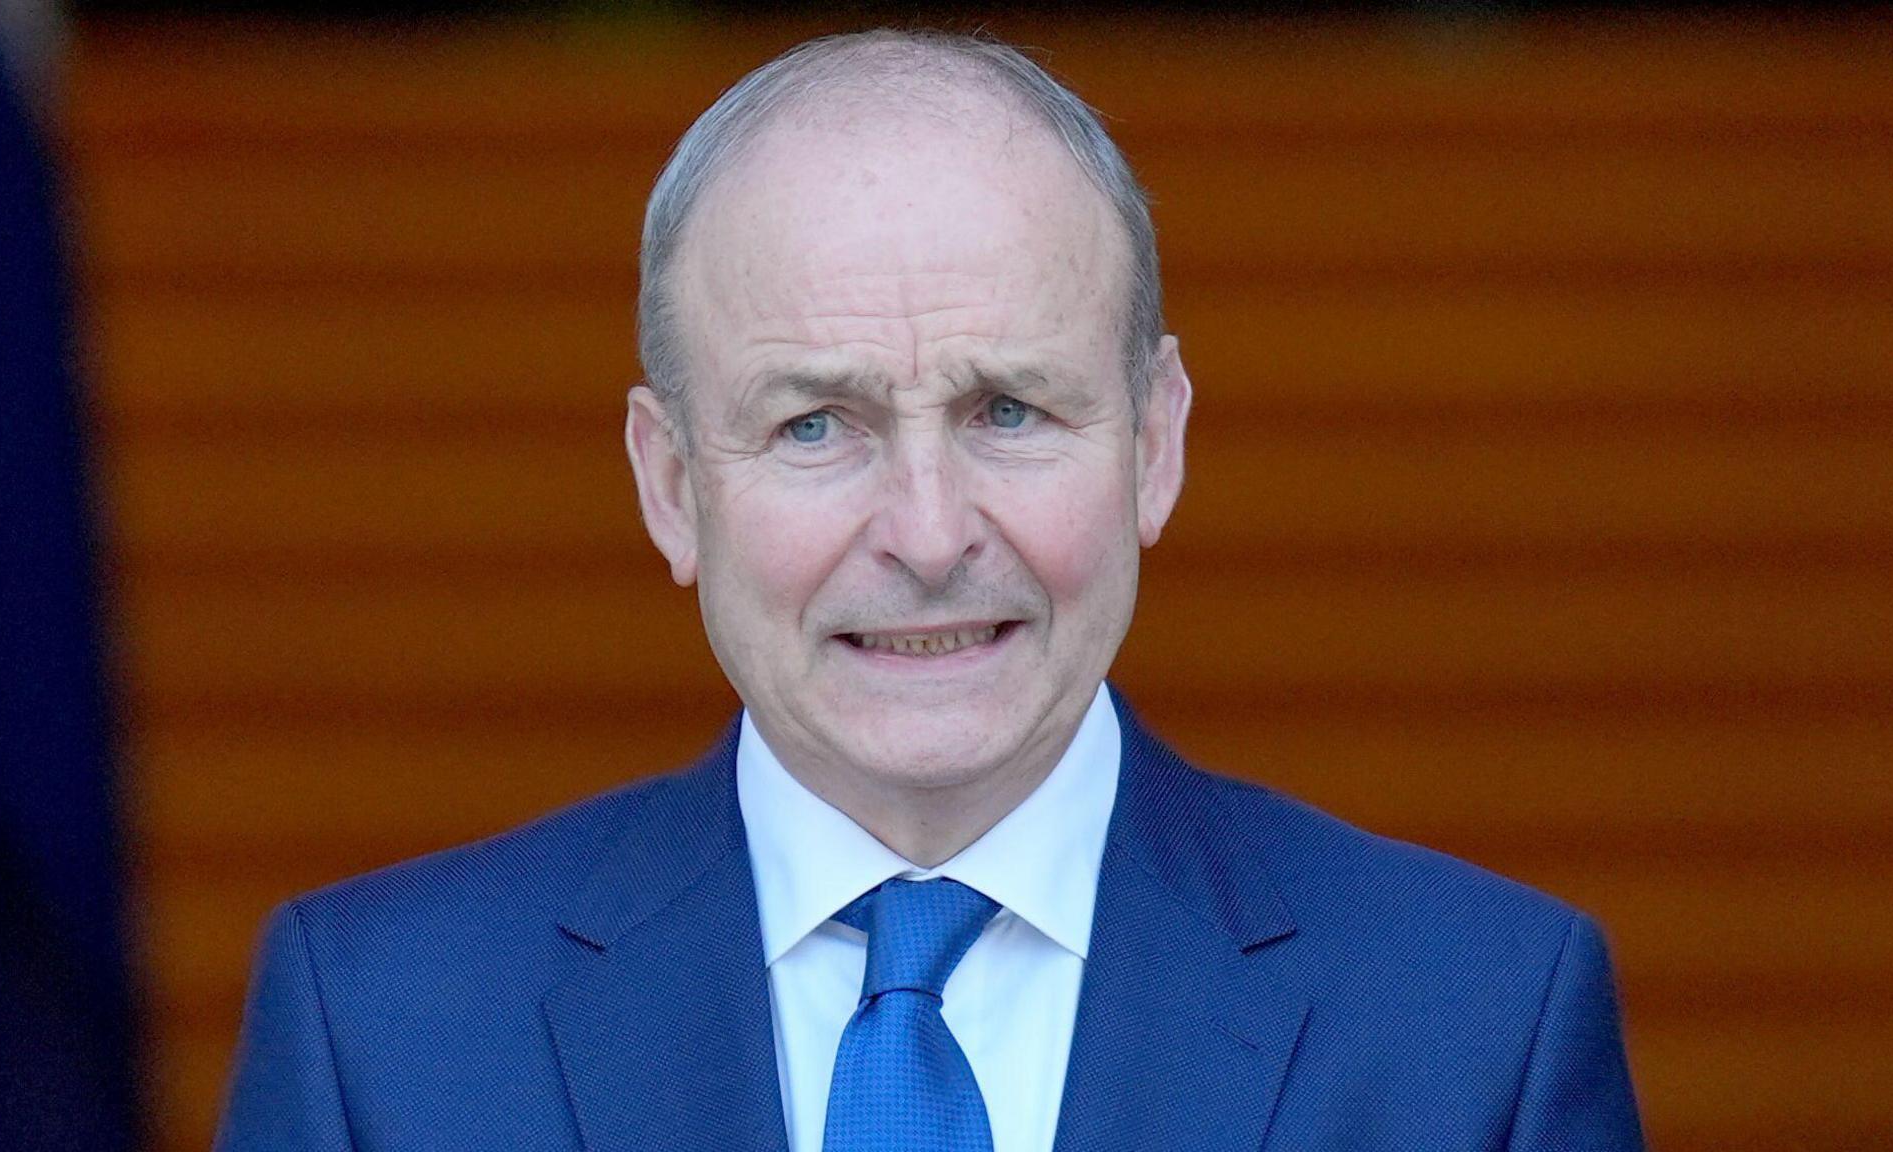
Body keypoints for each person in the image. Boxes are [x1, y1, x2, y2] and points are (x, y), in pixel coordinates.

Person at [216, 29, 1644, 1152]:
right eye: (814, 425)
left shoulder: (1476, 1029)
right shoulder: (382, 1036)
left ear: (1156, 444)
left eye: (1010, 409)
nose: (926, 530)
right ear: (670, 485)